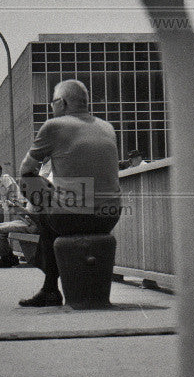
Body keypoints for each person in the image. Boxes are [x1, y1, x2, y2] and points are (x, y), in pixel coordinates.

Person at [17, 79, 121, 307]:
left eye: (52, 102)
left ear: (62, 103)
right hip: (109, 215)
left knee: (35, 198)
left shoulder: (53, 126)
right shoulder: (107, 127)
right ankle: (55, 285)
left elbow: (26, 171)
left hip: (73, 216)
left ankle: (51, 288)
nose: (51, 107)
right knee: (51, 209)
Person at [0, 165, 22, 267]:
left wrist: (6, 200)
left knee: (2, 229)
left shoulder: (5, 178)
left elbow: (12, 188)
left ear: (0, 171)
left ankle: (7, 256)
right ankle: (6, 255)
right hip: (7, 204)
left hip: (15, 203)